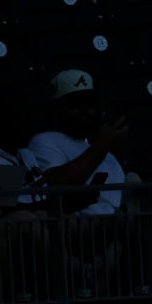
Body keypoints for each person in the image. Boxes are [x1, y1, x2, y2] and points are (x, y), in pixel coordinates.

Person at [27, 70, 129, 217]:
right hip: (78, 234)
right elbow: (58, 187)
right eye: (76, 104)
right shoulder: (44, 141)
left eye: (90, 104)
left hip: (116, 233)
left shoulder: (102, 149)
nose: (85, 109)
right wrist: (103, 143)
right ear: (57, 108)